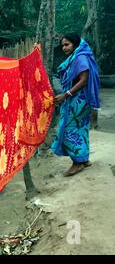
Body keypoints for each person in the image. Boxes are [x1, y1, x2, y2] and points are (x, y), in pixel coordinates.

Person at [51, 33, 101, 177]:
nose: (64, 48)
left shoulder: (80, 58)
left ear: (75, 44)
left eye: (67, 44)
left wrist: (66, 95)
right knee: (81, 129)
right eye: (62, 46)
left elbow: (84, 80)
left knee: (68, 129)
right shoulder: (75, 57)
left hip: (78, 100)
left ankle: (77, 163)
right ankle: (84, 159)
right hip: (78, 99)